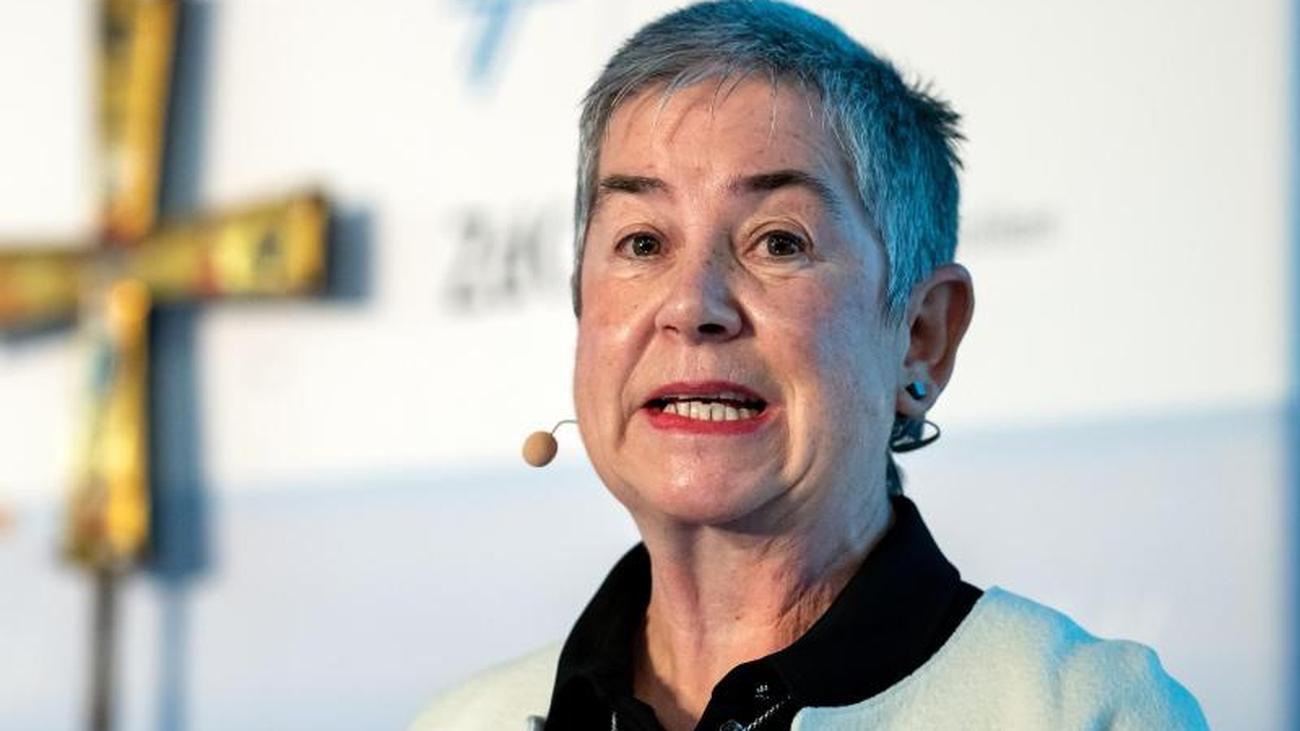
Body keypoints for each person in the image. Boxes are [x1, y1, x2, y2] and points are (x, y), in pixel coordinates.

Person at [412, 1, 1210, 729]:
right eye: (643, 242)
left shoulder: (1075, 709)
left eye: (778, 241)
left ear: (922, 336)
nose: (691, 305)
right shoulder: (464, 722)